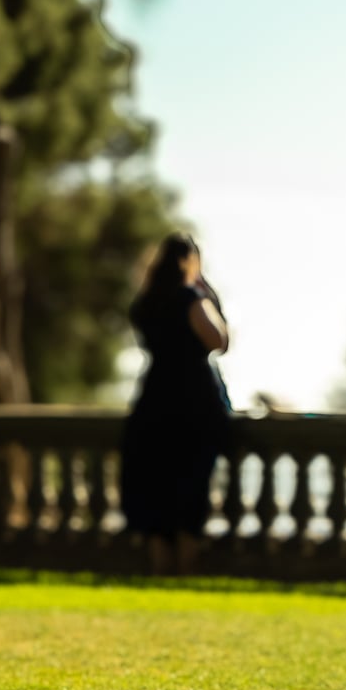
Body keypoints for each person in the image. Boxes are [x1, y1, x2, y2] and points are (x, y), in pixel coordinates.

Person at [120, 234, 232, 574]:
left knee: (154, 480)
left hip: (155, 397)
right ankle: (185, 564)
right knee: (191, 480)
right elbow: (219, 341)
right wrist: (207, 294)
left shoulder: (145, 302)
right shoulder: (191, 299)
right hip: (193, 399)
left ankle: (159, 563)